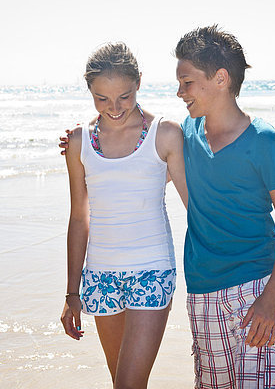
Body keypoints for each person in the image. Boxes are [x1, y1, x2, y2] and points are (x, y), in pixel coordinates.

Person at [175, 25, 275, 389]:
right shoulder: (185, 133)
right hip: (201, 290)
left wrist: (272, 297)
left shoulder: (265, 141)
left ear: (220, 78)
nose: (179, 92)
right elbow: (138, 140)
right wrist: (83, 140)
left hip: (255, 288)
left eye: (187, 82)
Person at [60, 42, 187, 389]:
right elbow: (78, 219)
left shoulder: (166, 134)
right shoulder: (78, 141)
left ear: (139, 83)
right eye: (102, 99)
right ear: (90, 92)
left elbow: (196, 207)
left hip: (152, 269)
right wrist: (72, 293)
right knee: (120, 382)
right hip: (100, 275)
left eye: (124, 96)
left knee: (129, 383)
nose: (114, 108)